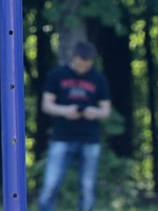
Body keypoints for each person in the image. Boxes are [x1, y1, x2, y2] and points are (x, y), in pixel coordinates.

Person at [38, 40, 112, 211]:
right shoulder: (58, 75)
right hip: (62, 136)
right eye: (81, 62)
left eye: (87, 63)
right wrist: (65, 111)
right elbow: (46, 105)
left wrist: (95, 112)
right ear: (74, 57)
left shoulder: (98, 78)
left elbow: (106, 110)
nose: (83, 66)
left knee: (87, 186)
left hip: (90, 138)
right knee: (50, 183)